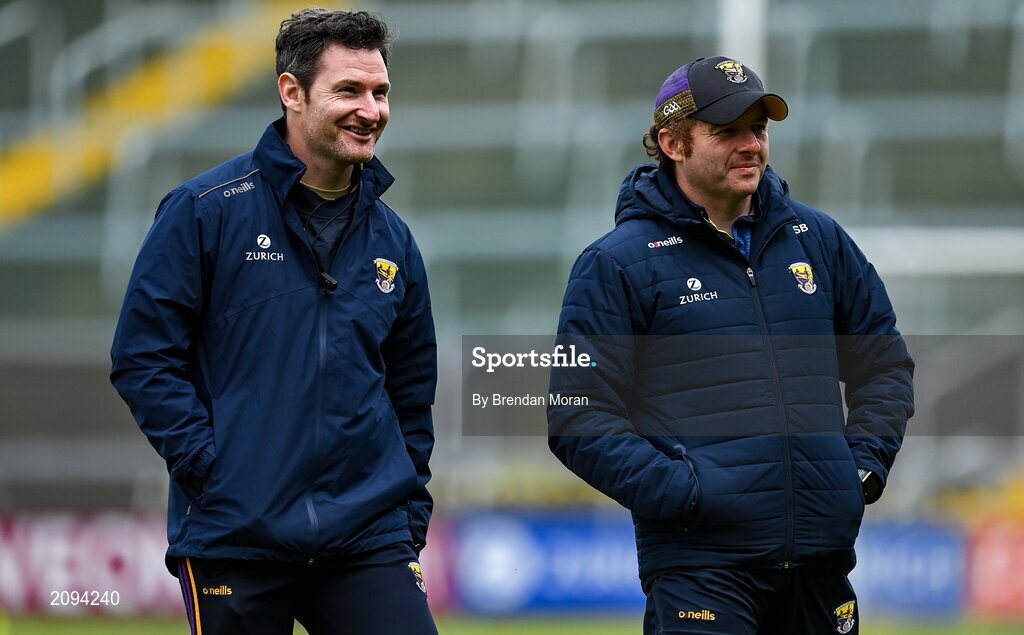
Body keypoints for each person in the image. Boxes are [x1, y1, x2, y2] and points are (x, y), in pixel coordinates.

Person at [547, 56, 914, 635]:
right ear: (672, 143)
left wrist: (861, 468)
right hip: (702, 571)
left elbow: (884, 365)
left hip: (820, 564)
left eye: (759, 129)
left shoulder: (818, 240)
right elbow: (578, 417)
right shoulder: (616, 263)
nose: (751, 145)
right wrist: (688, 493)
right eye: (727, 132)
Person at [110, 9, 438, 634]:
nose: (372, 109)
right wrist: (215, 469)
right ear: (292, 92)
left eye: (380, 91)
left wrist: (406, 510)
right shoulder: (202, 212)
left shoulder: (394, 240)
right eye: (349, 90)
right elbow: (143, 358)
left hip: (368, 537)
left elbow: (411, 392)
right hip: (237, 532)